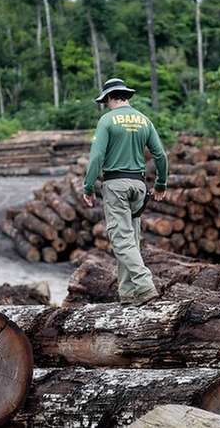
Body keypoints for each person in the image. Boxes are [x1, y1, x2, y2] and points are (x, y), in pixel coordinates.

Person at [83, 78, 169, 306]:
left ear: (110, 98)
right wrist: (161, 183)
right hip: (139, 187)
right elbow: (160, 155)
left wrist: (88, 186)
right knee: (130, 240)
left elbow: (97, 157)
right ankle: (128, 294)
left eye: (106, 101)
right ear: (126, 96)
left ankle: (144, 284)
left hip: (116, 185)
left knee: (120, 240)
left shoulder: (107, 121)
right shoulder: (144, 120)